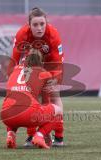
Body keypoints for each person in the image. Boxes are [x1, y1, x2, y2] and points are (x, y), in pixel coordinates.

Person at [8, 7, 64, 147]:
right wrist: (13, 78)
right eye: (35, 24)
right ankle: (32, 135)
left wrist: (53, 82)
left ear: (46, 23)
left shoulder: (53, 35)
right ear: (29, 25)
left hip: (51, 64)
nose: (39, 28)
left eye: (42, 24)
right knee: (30, 97)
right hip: (31, 62)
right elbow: (14, 60)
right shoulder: (22, 34)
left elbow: (57, 63)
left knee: (52, 97)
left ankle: (58, 136)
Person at [1, 49, 63, 149]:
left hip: (6, 114)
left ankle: (11, 134)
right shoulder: (43, 73)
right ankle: (39, 135)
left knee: (14, 106)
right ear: (41, 61)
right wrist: (45, 132)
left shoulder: (14, 69)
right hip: (28, 113)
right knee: (58, 111)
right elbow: (45, 103)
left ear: (24, 60)